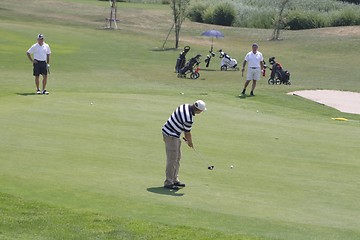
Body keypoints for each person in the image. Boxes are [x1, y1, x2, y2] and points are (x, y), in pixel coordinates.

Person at [161, 100, 206, 189]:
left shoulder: (184, 105)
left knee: (177, 157)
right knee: (172, 159)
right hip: (170, 135)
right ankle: (168, 182)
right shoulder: (189, 118)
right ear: (198, 110)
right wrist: (190, 143)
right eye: (201, 111)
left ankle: (174, 179)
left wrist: (187, 140)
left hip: (173, 133)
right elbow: (187, 134)